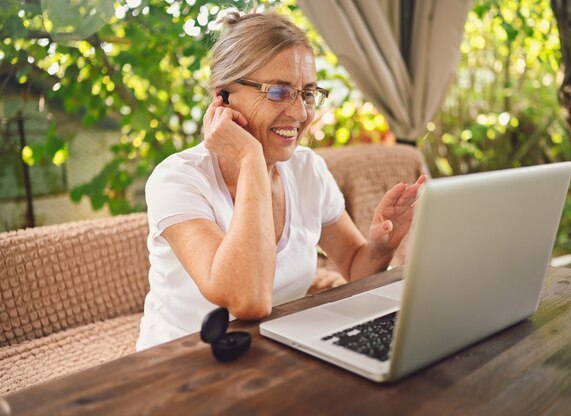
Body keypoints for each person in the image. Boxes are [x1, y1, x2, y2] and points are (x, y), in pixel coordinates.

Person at [136, 8, 427, 351]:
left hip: (272, 353)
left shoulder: (308, 170)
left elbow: (354, 267)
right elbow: (248, 301)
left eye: (307, 93)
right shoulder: (178, 179)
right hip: (178, 366)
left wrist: (381, 246)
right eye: (277, 91)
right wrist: (251, 159)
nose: (301, 113)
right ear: (222, 96)